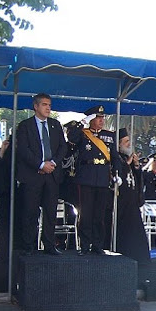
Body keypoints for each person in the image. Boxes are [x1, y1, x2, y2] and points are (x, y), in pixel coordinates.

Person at [15, 93, 69, 255]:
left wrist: (53, 163)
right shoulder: (25, 126)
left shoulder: (55, 125)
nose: (48, 108)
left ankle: (50, 245)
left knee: (50, 212)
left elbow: (62, 147)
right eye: (44, 104)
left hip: (52, 175)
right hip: (33, 175)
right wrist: (40, 164)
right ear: (36, 106)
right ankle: (29, 245)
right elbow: (24, 150)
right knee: (30, 211)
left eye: (50, 105)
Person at [66, 105, 120, 255]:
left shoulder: (109, 135)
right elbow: (71, 139)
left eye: (103, 117)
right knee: (86, 214)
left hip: (103, 178)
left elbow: (115, 157)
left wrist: (117, 174)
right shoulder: (82, 134)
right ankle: (84, 244)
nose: (102, 120)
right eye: (98, 117)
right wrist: (83, 123)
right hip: (86, 177)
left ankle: (97, 244)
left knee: (99, 214)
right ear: (91, 119)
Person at [112, 128, 149, 263]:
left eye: (129, 141)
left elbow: (138, 178)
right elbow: (117, 174)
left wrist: (136, 165)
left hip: (132, 202)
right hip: (121, 204)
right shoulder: (117, 158)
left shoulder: (129, 158)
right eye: (126, 141)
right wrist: (126, 164)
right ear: (119, 144)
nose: (129, 144)